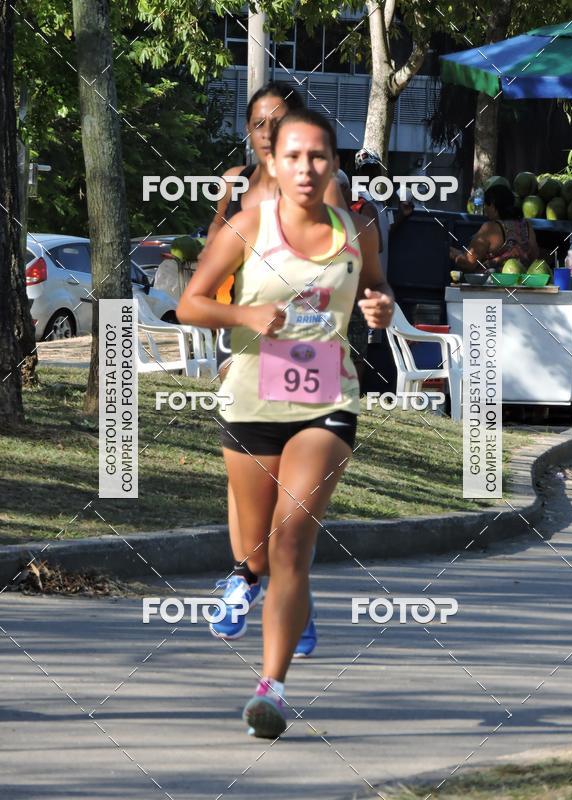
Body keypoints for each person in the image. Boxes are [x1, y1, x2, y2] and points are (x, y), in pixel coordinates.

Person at [177, 109, 393, 738]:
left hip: (328, 400)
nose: (307, 168)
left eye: (319, 157)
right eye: (293, 157)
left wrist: (379, 309)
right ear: (273, 163)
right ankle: (274, 596)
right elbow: (191, 303)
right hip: (250, 404)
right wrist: (247, 315)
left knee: (293, 534)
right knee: (259, 549)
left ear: (335, 163)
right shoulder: (246, 225)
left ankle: (270, 691)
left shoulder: (360, 227)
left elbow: (377, 292)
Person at [203, 82, 347, 658]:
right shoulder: (240, 183)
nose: (266, 131)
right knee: (245, 492)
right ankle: (245, 579)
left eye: (278, 120)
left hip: (305, 352)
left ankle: (292, 595)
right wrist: (222, 203)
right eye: (258, 122)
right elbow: (212, 252)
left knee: (295, 500)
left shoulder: (318, 182)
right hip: (245, 346)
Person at [449, 184, 539, 273]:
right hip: (521, 283)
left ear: (492, 204)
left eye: (486, 205)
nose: (485, 209)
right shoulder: (526, 225)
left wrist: (451, 254)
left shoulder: (490, 228)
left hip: (494, 284)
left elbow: (468, 263)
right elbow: (534, 257)